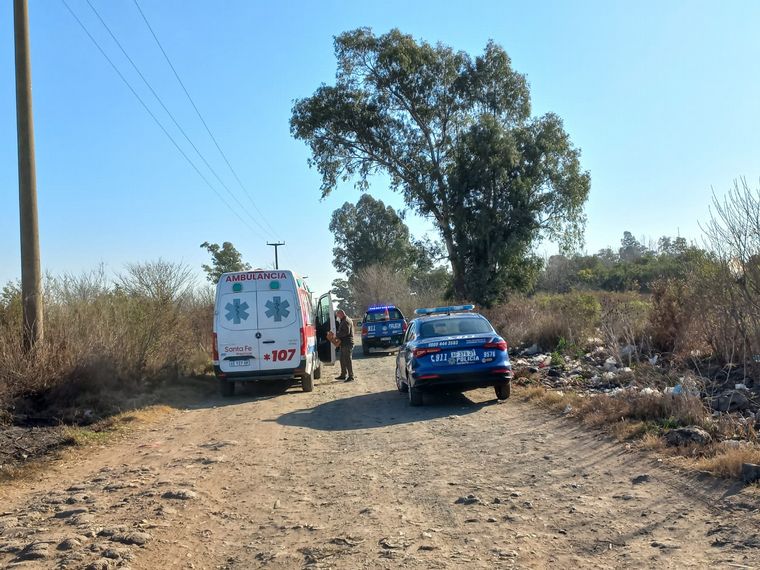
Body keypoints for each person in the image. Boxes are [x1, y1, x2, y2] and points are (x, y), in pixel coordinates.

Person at [334, 309, 355, 382]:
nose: (338, 317)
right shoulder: (343, 320)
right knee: (342, 359)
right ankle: (343, 375)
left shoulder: (346, 321)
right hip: (344, 343)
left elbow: (346, 332)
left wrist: (337, 335)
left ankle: (351, 376)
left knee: (347, 360)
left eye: (338, 315)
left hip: (347, 343)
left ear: (341, 314)